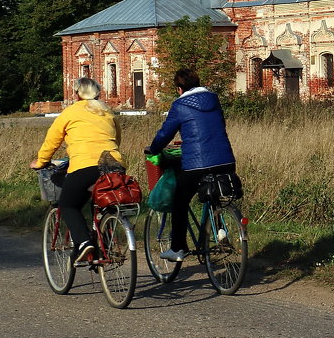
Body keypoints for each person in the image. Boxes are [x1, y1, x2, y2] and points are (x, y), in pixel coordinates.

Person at [143, 68, 236, 262]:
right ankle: (219, 229)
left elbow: (165, 133)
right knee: (215, 194)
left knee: (180, 200)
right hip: (225, 160)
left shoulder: (179, 105)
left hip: (197, 164)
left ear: (179, 88)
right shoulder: (214, 99)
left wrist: (154, 148)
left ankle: (178, 248)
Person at [30, 77, 124, 263]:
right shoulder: (107, 111)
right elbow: (116, 139)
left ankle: (84, 242)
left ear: (77, 94)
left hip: (84, 166)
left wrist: (41, 162)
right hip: (114, 165)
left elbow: (52, 141)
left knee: (68, 205)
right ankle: (104, 242)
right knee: (102, 202)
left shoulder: (70, 112)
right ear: (98, 93)